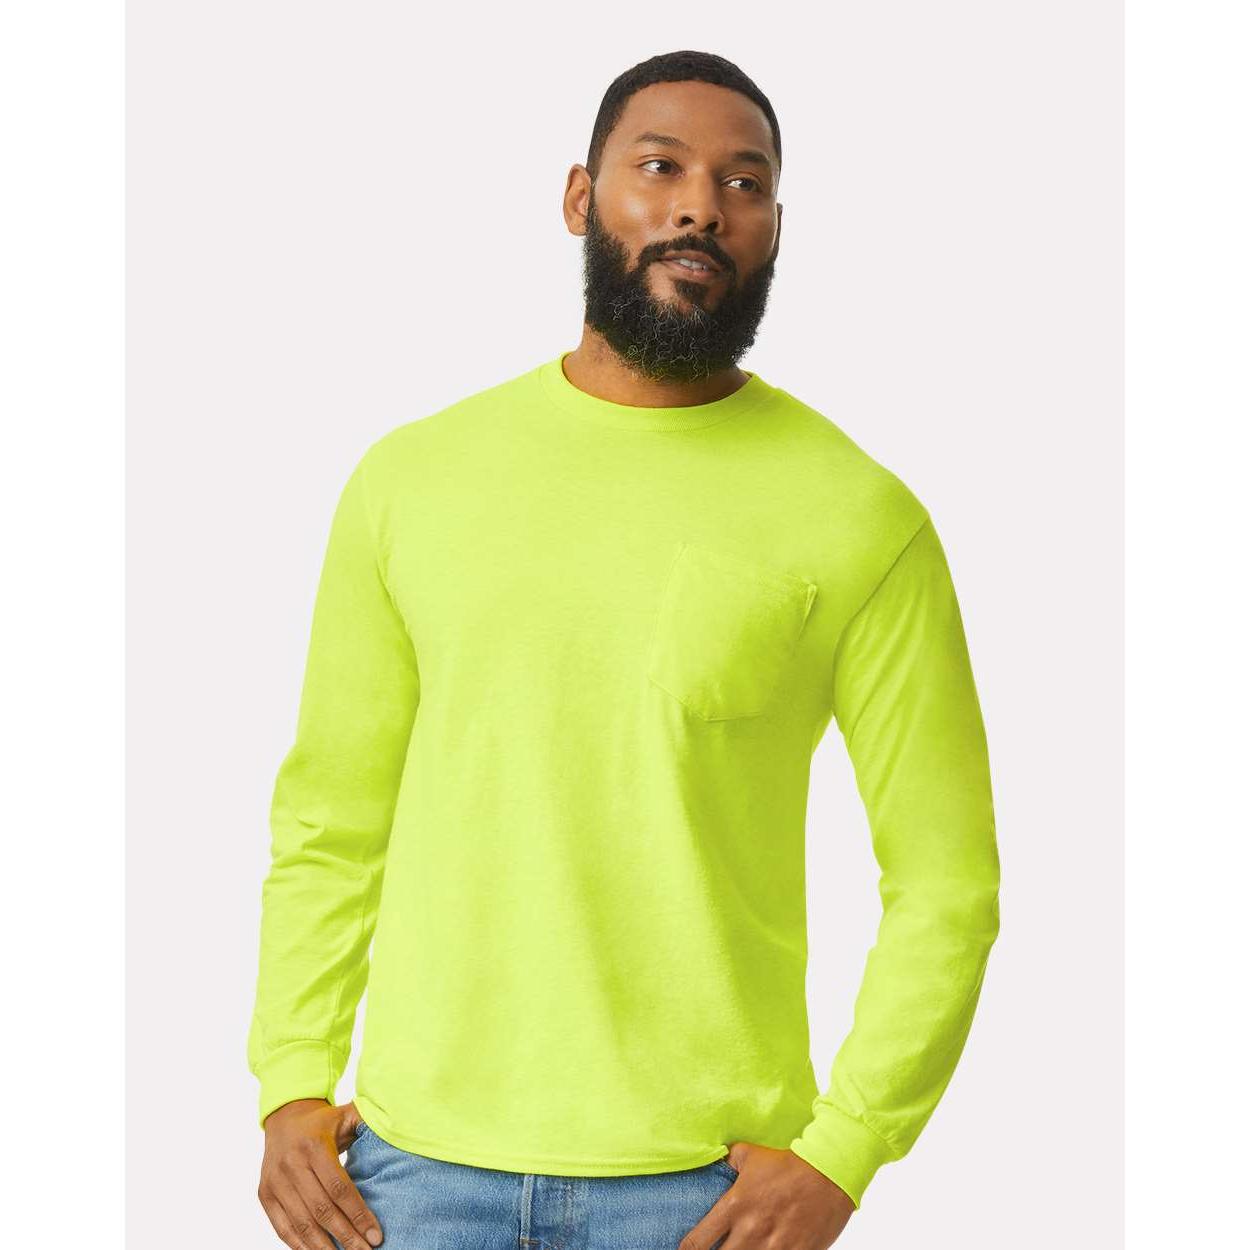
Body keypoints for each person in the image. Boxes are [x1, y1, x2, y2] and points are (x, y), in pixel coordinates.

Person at [247, 48, 1002, 1250]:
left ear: (772, 230)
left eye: (743, 182)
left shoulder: (859, 516)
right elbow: (333, 815)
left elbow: (946, 882)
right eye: (659, 167)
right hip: (409, 1177)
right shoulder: (411, 480)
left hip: (704, 1194)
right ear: (577, 197)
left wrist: (844, 1149)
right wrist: (290, 1075)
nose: (701, 204)